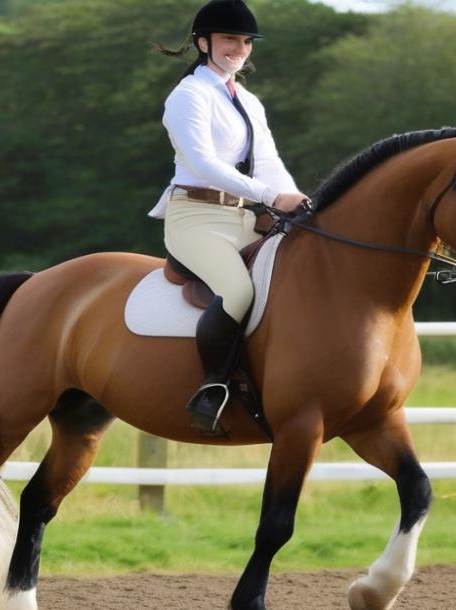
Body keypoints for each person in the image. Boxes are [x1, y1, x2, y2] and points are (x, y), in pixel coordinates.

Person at [151, 0, 309, 434]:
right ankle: (213, 386)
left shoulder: (249, 101)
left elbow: (269, 161)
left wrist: (300, 201)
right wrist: (269, 194)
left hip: (244, 218)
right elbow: (203, 164)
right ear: (203, 43)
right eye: (228, 40)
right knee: (238, 290)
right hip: (195, 217)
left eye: (244, 42)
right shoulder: (188, 96)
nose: (238, 48)